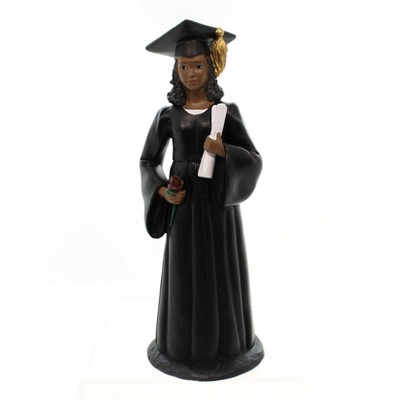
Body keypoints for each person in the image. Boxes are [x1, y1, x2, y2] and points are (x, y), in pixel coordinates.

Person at [140, 19, 264, 381]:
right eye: (183, 66)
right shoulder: (168, 116)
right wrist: (162, 190)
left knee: (219, 266)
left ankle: (228, 346)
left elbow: (252, 159)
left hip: (217, 203)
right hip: (183, 203)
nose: (190, 73)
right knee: (185, 268)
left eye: (197, 66)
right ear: (175, 70)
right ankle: (179, 347)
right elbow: (148, 160)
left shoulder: (226, 113)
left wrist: (224, 150)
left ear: (211, 67)